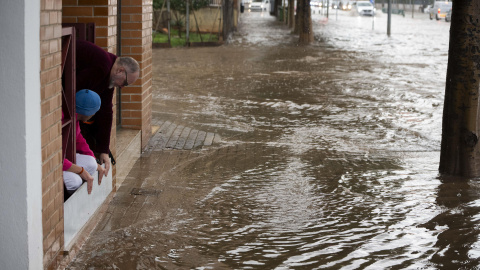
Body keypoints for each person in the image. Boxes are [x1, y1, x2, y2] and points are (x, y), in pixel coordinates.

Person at [76, 40, 140, 178]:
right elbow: (72, 92)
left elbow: (106, 111)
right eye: (125, 83)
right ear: (120, 70)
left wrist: (103, 150)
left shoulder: (109, 72)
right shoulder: (102, 67)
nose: (122, 87)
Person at [63, 89, 106, 195]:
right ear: (89, 112)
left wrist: (95, 163)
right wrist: (81, 171)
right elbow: (54, 158)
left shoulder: (75, 118)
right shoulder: (64, 119)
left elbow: (79, 140)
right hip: (51, 164)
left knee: (91, 164)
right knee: (74, 181)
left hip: (63, 160)